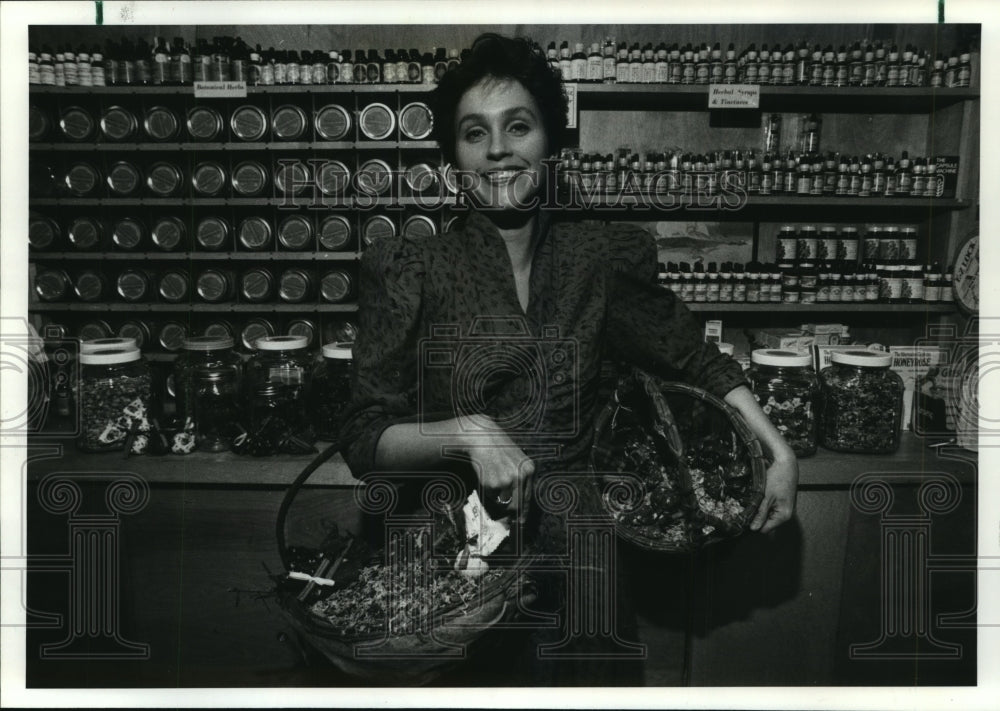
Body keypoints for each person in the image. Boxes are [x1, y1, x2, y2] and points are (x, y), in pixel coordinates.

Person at [339, 32, 798, 685]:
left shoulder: (596, 257)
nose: (498, 149)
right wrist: (470, 434)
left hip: (582, 553)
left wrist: (777, 450)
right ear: (452, 165)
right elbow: (362, 436)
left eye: (517, 126)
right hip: (458, 557)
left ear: (549, 146)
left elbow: (691, 355)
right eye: (475, 134)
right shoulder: (414, 269)